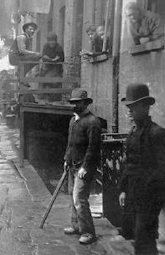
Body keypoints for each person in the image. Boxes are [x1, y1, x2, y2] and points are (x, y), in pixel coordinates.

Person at [119, 83, 165, 255]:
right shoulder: (132, 133)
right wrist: (124, 190)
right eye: (129, 107)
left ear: (146, 107)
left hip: (150, 195)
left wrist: (145, 190)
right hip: (134, 194)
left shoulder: (158, 133)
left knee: (144, 237)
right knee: (135, 235)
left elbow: (164, 169)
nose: (129, 111)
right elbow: (129, 165)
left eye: (134, 107)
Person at [63, 88, 101, 245]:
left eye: (78, 102)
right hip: (73, 164)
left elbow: (94, 147)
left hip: (84, 167)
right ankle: (76, 226)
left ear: (85, 103)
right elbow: (70, 143)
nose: (74, 105)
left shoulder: (93, 122)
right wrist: (66, 159)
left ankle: (88, 232)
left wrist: (86, 166)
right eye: (73, 102)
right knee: (73, 195)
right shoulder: (74, 121)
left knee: (80, 198)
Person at [40, 32, 65, 101]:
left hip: (56, 68)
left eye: (53, 41)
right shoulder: (46, 46)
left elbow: (61, 59)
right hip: (47, 66)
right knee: (42, 78)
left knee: (53, 81)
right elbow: (43, 56)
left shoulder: (59, 47)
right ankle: (42, 97)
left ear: (56, 41)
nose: (52, 43)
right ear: (48, 41)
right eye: (50, 41)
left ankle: (56, 99)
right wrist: (50, 59)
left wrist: (55, 60)